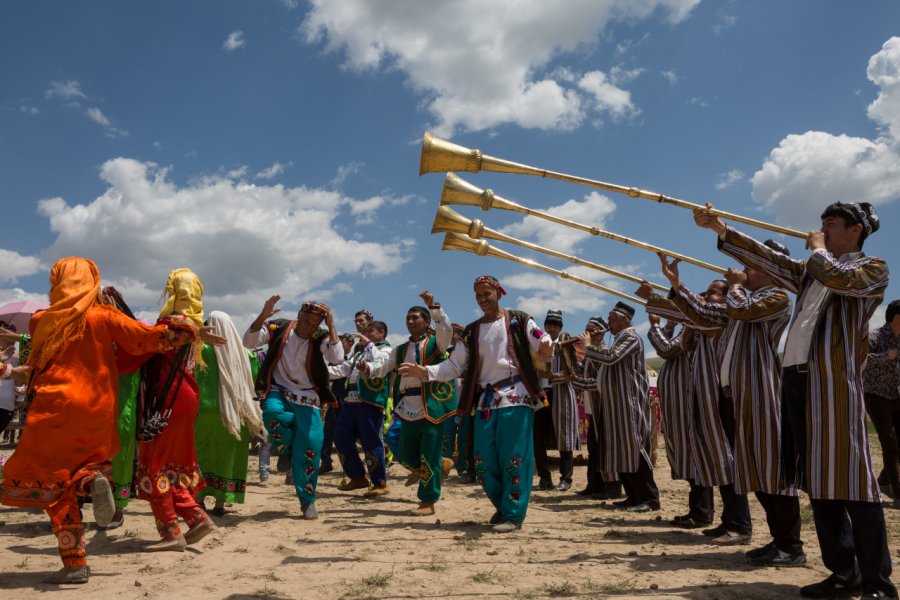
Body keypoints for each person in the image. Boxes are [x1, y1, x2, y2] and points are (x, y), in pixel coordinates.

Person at [696, 201, 896, 599]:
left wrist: (819, 250)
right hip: (796, 382)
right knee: (818, 480)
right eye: (822, 224)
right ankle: (844, 573)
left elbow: (840, 279)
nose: (822, 229)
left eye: (832, 224)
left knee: (853, 480)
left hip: (834, 385)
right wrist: (720, 227)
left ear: (856, 230)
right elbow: (770, 260)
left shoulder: (872, 268)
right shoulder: (809, 274)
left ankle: (877, 581)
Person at [0, 258, 198, 584]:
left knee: (51, 483)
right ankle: (90, 483)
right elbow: (148, 340)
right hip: (96, 412)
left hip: (54, 411)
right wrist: (184, 326)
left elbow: (37, 358)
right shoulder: (106, 317)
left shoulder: (40, 321)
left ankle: (75, 560)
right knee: (78, 473)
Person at [401, 276, 552, 532]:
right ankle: (503, 507)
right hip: (485, 402)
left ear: (499, 293)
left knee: (514, 457)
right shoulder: (472, 331)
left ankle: (513, 515)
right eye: (478, 295)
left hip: (516, 397)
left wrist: (546, 347)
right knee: (481, 461)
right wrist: (425, 372)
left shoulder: (519, 319)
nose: (483, 299)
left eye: (487, 293)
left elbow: (540, 339)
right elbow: (453, 365)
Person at [644, 280, 752, 543]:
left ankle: (732, 521)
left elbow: (668, 350)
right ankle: (728, 520)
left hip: (720, 399)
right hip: (703, 400)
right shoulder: (698, 325)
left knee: (723, 460)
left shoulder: (720, 318)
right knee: (712, 457)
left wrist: (659, 321)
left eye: (712, 293)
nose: (705, 296)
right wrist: (670, 320)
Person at [128, 268, 224, 553]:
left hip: (166, 400)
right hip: (186, 398)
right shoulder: (192, 324)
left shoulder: (174, 324)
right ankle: (196, 517)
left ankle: (170, 530)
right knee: (171, 464)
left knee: (153, 462)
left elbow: (140, 344)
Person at [242, 296, 343, 520]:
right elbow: (248, 342)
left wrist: (332, 325)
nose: (308, 327)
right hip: (278, 389)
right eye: (306, 321)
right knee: (272, 413)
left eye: (314, 324)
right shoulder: (279, 327)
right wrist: (263, 315)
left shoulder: (321, 336)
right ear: (298, 316)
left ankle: (307, 501)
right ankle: (285, 449)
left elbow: (337, 357)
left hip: (308, 396)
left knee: (310, 448)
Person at [364, 293, 457, 516]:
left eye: (415, 317)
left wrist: (433, 307)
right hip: (408, 406)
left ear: (426, 322)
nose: (410, 321)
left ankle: (427, 501)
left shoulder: (437, 344)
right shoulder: (400, 349)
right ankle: (441, 465)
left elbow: (446, 328)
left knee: (429, 453)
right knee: (402, 450)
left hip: (432, 404)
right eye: (408, 317)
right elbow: (383, 364)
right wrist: (367, 369)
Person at [578, 302, 660, 513]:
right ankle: (633, 496)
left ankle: (650, 498)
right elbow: (602, 378)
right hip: (615, 406)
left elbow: (611, 358)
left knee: (635, 450)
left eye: (612, 318)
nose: (608, 323)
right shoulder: (618, 340)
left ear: (624, 319)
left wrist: (588, 346)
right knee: (623, 452)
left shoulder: (632, 338)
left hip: (629, 405)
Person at [195, 311, 266, 516]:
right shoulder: (247, 355)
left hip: (204, 412)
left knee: (202, 455)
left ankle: (198, 500)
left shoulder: (201, 349)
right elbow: (253, 381)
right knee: (227, 457)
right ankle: (220, 503)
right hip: (235, 414)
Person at [646, 315, 710, 527]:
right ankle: (697, 509)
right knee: (688, 458)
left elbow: (666, 349)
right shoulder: (687, 329)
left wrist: (655, 324)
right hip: (679, 405)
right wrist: (670, 325)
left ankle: (702, 512)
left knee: (695, 458)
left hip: (688, 402)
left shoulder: (693, 327)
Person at [330, 320, 392, 497]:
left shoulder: (387, 350)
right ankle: (358, 477)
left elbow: (380, 362)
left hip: (370, 403)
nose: (366, 332)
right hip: (350, 402)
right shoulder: (360, 352)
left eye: (371, 331)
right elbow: (343, 369)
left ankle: (380, 482)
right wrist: (317, 372)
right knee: (340, 438)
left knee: (371, 442)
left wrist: (369, 344)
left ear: (382, 332)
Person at [572, 316, 623, 500]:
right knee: (594, 448)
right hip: (592, 407)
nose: (589, 333)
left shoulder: (604, 352)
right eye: (587, 329)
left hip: (604, 407)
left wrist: (580, 382)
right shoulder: (588, 353)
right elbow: (581, 375)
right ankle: (594, 484)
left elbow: (601, 381)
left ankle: (611, 487)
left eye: (593, 329)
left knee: (605, 447)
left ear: (602, 333)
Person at [535, 310, 580, 492]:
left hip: (560, 393)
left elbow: (574, 371)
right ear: (545, 325)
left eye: (556, 325)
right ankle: (544, 478)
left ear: (560, 327)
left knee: (565, 436)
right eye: (549, 324)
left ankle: (566, 479)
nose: (552, 328)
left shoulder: (565, 343)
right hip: (540, 394)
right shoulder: (537, 344)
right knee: (537, 438)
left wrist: (552, 376)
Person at [864, 299, 900, 506]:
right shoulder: (875, 337)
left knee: (897, 444)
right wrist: (886, 356)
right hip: (876, 396)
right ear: (897, 318)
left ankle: (884, 482)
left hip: (896, 395)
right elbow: (861, 359)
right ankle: (898, 494)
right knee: (889, 443)